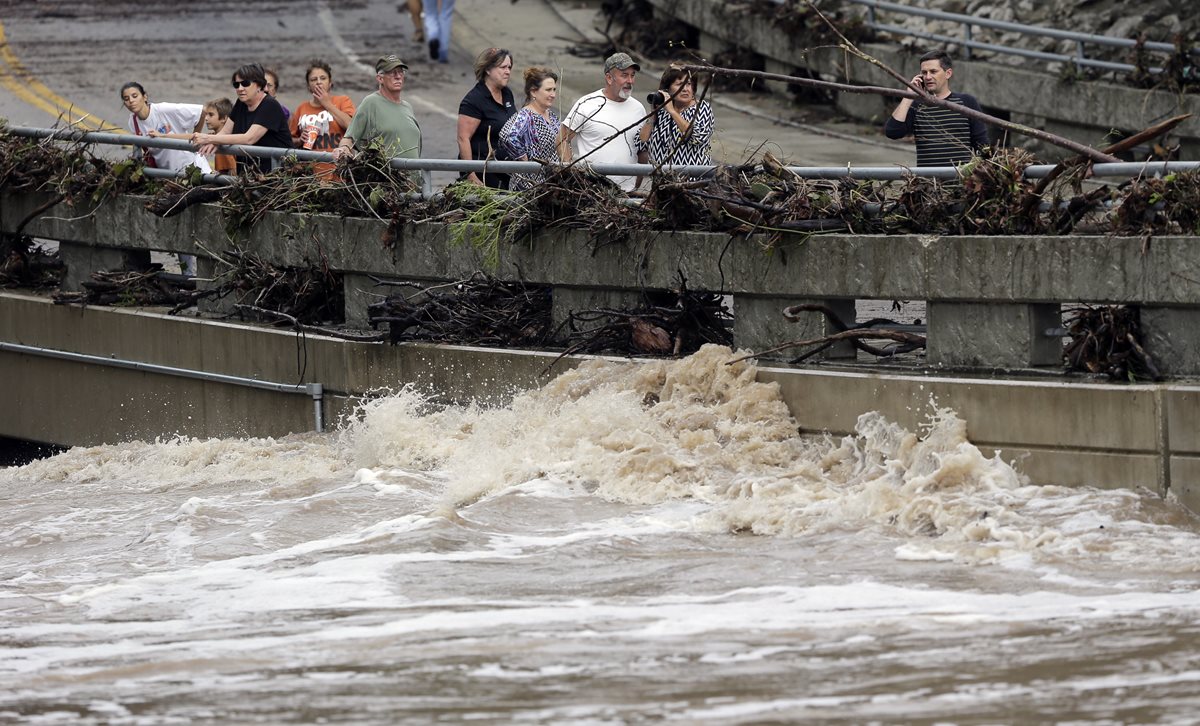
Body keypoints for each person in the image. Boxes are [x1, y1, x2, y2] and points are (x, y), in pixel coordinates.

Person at [557, 52, 646, 192]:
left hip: (627, 191)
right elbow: (562, 139)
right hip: (593, 191)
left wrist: (637, 182)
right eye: (624, 75)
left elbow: (642, 149)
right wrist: (571, 174)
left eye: (632, 75)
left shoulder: (638, 109)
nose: (630, 81)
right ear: (609, 78)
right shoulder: (587, 104)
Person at [884, 50, 988, 167]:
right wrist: (909, 96)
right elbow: (892, 132)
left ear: (948, 73)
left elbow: (982, 145)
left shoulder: (966, 102)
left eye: (933, 71)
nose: (928, 77)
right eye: (924, 72)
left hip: (961, 181)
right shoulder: (917, 106)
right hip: (927, 182)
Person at [193, 63, 293, 175]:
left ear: (259, 85)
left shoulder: (270, 105)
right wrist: (215, 141)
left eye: (245, 83)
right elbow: (226, 131)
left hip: (275, 176)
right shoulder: (241, 103)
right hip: (248, 175)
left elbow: (249, 138)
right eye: (237, 85)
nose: (240, 89)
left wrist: (209, 139)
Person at [333, 55, 422, 179]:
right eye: (392, 73)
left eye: (401, 72)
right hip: (389, 186)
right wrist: (343, 149)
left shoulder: (407, 107)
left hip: (414, 184)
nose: (398, 76)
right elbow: (350, 137)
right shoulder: (371, 103)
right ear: (380, 78)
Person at [120, 82, 211, 173]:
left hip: (194, 169)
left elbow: (202, 112)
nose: (131, 101)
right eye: (126, 99)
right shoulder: (133, 122)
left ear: (145, 97)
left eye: (135, 96)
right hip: (169, 175)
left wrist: (193, 143)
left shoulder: (163, 110)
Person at [457, 48, 516, 188]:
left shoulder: (507, 94)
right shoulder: (474, 100)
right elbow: (463, 138)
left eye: (509, 67)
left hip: (506, 170)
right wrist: (470, 175)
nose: (507, 71)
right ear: (488, 70)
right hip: (483, 173)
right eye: (502, 67)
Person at [289, 59, 356, 179]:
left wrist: (327, 104)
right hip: (310, 175)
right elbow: (289, 139)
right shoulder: (301, 108)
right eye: (314, 79)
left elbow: (352, 126)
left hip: (339, 174)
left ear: (330, 83)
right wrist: (299, 140)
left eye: (323, 78)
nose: (318, 82)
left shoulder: (342, 101)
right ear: (308, 86)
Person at [637, 67, 715, 171]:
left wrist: (672, 112)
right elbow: (641, 142)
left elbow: (697, 137)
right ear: (667, 89)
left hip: (693, 182)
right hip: (662, 182)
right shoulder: (662, 111)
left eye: (689, 84)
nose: (685, 89)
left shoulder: (702, 108)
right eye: (679, 84)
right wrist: (653, 114)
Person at [499, 67, 559, 192]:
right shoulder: (526, 115)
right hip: (528, 186)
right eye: (548, 90)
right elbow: (508, 136)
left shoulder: (551, 116)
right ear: (533, 92)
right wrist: (523, 159)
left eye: (554, 90)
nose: (553, 94)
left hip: (550, 185)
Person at [202, 98, 237, 176]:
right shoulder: (213, 136)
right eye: (206, 114)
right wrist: (169, 136)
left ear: (224, 118)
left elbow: (233, 171)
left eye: (211, 115)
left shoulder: (223, 143)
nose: (206, 118)